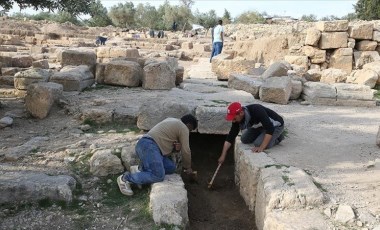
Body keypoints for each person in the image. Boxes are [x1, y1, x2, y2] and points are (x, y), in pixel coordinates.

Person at [117, 114, 198, 196]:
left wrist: (175, 149)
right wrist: (188, 167)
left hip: (146, 145)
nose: (189, 133)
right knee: (158, 175)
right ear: (189, 125)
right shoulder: (183, 127)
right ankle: (125, 179)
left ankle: (140, 169)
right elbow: (186, 150)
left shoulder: (172, 120)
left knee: (171, 167)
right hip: (150, 146)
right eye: (190, 130)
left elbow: (164, 145)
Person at [218, 102, 285, 165]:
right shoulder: (237, 119)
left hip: (275, 126)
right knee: (244, 139)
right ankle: (263, 134)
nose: (233, 120)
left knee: (258, 143)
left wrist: (261, 147)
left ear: (241, 113)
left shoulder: (257, 110)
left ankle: (278, 137)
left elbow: (270, 128)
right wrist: (223, 155)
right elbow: (231, 136)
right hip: (260, 126)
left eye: (234, 118)